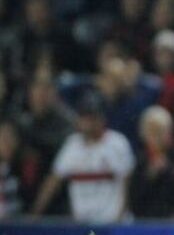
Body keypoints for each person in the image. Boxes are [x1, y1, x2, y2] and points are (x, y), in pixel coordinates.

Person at [31, 91, 135, 224]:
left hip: (113, 223)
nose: (89, 123)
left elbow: (126, 186)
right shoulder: (72, 145)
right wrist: (34, 215)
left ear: (102, 118)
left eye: (93, 118)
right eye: (85, 118)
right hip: (84, 225)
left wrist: (117, 222)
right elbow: (53, 181)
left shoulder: (117, 143)